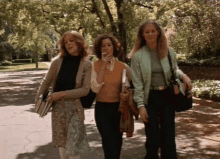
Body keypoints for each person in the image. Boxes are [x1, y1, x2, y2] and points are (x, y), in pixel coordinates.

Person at [129, 19, 192, 159]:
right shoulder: (137, 57)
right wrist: (140, 106)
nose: (150, 34)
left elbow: (174, 70)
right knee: (153, 136)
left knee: (168, 134)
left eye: (153, 31)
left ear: (158, 32)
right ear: (142, 35)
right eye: (147, 32)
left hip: (167, 95)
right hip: (149, 97)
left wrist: (184, 76)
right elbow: (137, 84)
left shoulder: (169, 52)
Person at [35, 30, 91, 159]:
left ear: (79, 42)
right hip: (58, 109)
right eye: (65, 42)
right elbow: (46, 82)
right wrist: (38, 100)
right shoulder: (57, 61)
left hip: (75, 109)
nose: (68, 44)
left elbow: (84, 90)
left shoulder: (87, 65)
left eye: (71, 40)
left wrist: (61, 94)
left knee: (73, 148)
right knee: (62, 146)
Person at [91, 34, 131, 159]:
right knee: (108, 141)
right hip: (102, 109)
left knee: (117, 142)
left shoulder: (123, 66)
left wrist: (128, 93)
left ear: (114, 47)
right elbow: (95, 88)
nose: (106, 48)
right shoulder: (94, 66)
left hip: (118, 109)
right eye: (103, 46)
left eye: (109, 45)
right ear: (99, 48)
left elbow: (134, 85)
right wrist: (103, 65)